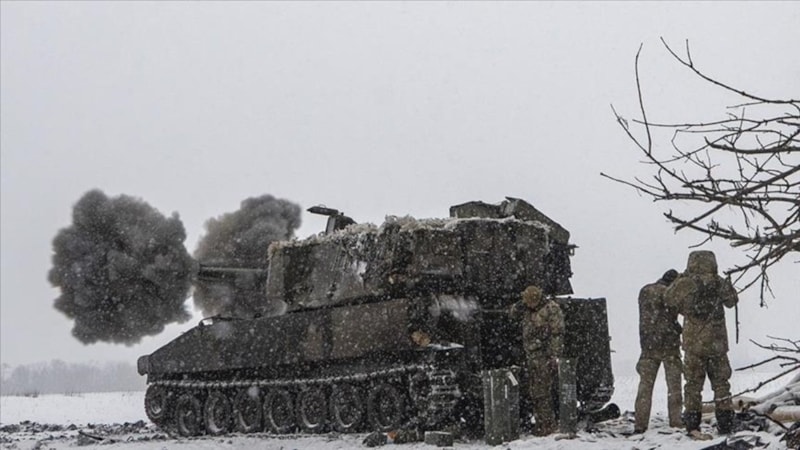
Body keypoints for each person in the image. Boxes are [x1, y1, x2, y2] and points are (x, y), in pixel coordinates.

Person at [665, 250, 738, 439]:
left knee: (692, 386)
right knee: (722, 384)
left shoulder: (686, 283)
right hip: (718, 344)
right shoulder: (718, 282)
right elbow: (732, 301)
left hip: (693, 344)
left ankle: (692, 423)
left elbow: (668, 298)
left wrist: (682, 278)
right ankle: (725, 422)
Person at [510, 285, 564, 436]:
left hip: (544, 355)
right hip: (531, 355)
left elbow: (557, 334)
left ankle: (548, 425)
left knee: (543, 392)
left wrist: (554, 356)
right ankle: (540, 423)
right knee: (534, 391)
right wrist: (520, 305)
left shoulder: (550, 309)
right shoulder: (527, 308)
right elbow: (512, 314)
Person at [633, 269, 683, 433]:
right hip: (669, 346)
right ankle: (675, 422)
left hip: (648, 346)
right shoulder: (671, 294)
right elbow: (678, 312)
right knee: (674, 387)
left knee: (645, 388)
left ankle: (640, 424)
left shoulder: (645, 291)